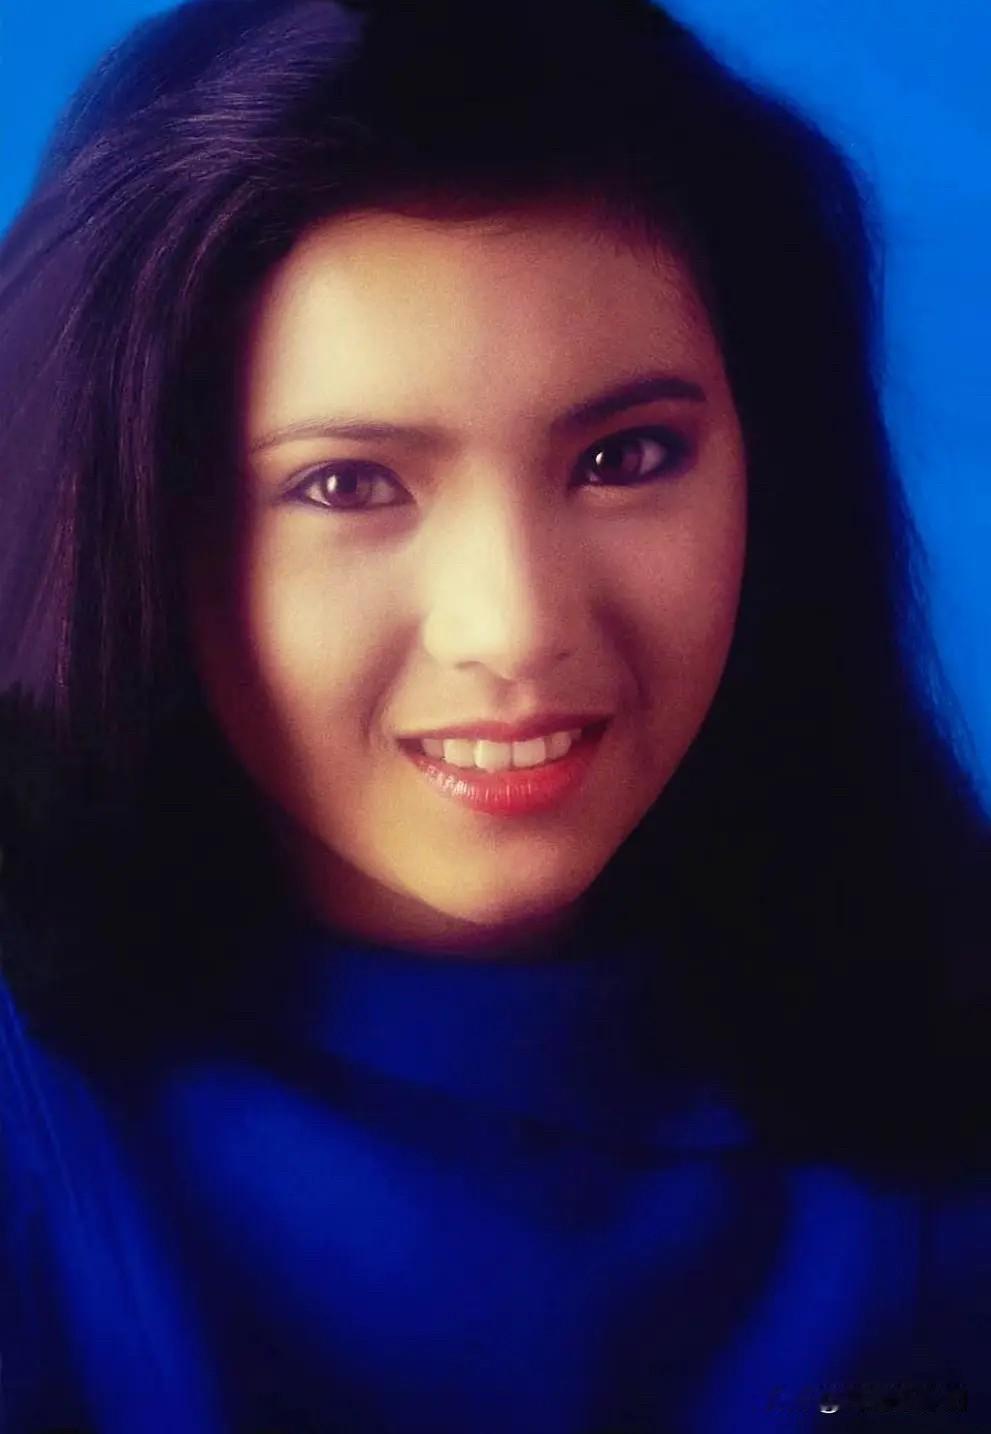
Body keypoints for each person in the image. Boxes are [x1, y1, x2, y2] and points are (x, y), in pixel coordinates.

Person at [0, 0, 988, 1429]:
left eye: (625, 457)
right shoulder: (37, 1112)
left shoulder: (944, 1031)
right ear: (141, 517)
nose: (516, 628)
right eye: (348, 484)